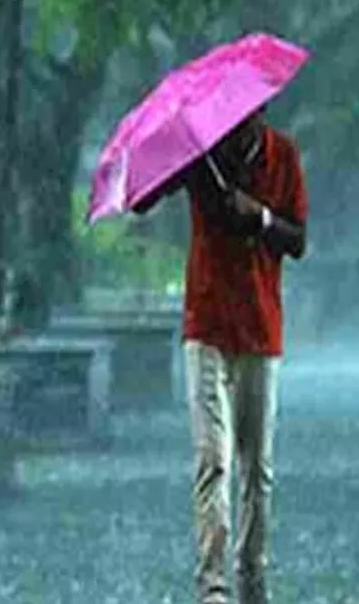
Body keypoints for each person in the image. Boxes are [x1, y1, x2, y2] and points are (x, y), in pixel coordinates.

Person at [139, 107, 307, 604]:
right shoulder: (202, 156)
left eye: (247, 120)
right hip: (207, 324)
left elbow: (298, 240)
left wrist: (258, 216)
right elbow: (146, 201)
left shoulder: (284, 156)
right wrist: (174, 163)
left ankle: (252, 575)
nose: (238, 129)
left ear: (261, 114)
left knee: (258, 465)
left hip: (260, 328)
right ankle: (212, 585)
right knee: (212, 457)